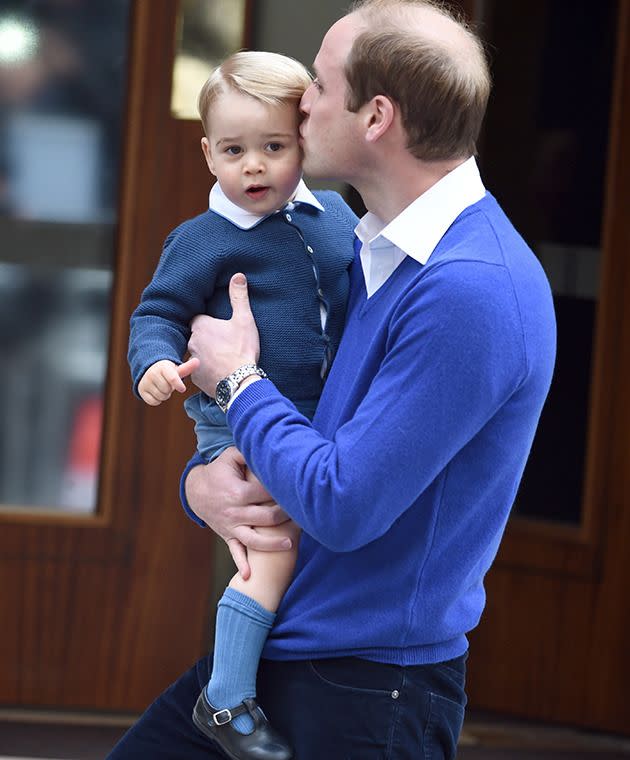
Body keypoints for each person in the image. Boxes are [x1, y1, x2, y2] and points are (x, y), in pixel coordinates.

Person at [109, 1, 557, 758]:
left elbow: (342, 502)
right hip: (284, 649)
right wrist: (204, 482)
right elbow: (309, 436)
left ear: (376, 115)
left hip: (367, 692)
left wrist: (238, 382)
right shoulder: (366, 250)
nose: (301, 100)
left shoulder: (470, 290)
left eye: (318, 83)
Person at [126, 51, 357, 760]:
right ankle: (225, 699)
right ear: (207, 152)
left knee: (308, 538)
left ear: (304, 141)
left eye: (274, 147)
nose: (253, 166)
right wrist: (158, 367)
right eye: (233, 151)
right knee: (272, 548)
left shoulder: (339, 218)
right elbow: (156, 314)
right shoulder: (202, 241)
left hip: (317, 419)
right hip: (236, 426)